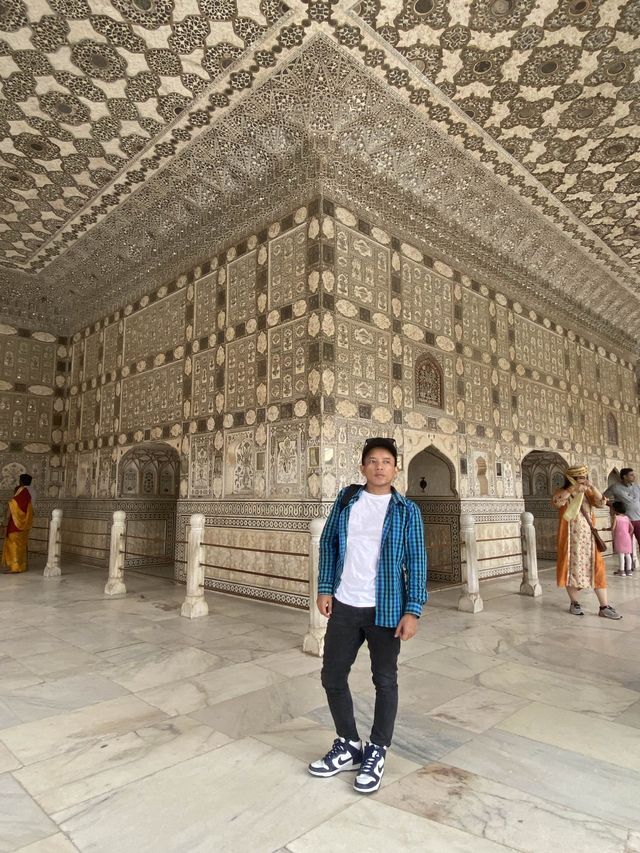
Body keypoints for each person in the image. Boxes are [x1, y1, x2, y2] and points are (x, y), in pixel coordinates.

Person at [308, 437, 427, 794]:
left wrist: (413, 610)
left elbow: (418, 563)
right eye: (372, 461)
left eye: (386, 461)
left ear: (395, 468)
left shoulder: (407, 511)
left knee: (385, 680)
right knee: (332, 675)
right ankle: (348, 744)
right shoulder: (347, 501)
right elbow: (328, 543)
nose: (379, 467)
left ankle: (377, 748)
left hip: (387, 608)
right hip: (345, 603)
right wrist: (325, 587)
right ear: (362, 468)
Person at [551, 465, 621, 619]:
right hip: (570, 540)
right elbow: (557, 502)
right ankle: (574, 602)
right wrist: (572, 489)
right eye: (580, 478)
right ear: (572, 478)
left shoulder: (588, 493)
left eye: (584, 477)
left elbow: (601, 503)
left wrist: (592, 486)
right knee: (570, 570)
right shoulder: (562, 492)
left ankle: (604, 606)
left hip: (589, 540)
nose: (583, 480)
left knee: (597, 569)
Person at [604, 468, 640, 558]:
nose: (634, 476)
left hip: (639, 519)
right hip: (626, 521)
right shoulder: (615, 487)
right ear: (624, 477)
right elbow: (603, 498)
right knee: (627, 545)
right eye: (631, 475)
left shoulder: (637, 487)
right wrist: (613, 506)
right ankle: (628, 566)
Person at [2, 473, 34, 574]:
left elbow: (12, 507)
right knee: (21, 546)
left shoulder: (20, 494)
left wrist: (5, 521)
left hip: (15, 525)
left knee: (13, 545)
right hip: (24, 526)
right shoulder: (29, 493)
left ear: (21, 482)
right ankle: (20, 566)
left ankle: (15, 568)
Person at [610, 501, 635, 578]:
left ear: (615, 510)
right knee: (627, 554)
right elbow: (632, 528)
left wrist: (607, 529)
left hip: (619, 537)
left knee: (621, 555)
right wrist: (628, 534)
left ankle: (622, 571)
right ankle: (629, 570)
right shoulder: (627, 517)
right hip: (627, 537)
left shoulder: (616, 517)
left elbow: (613, 528)